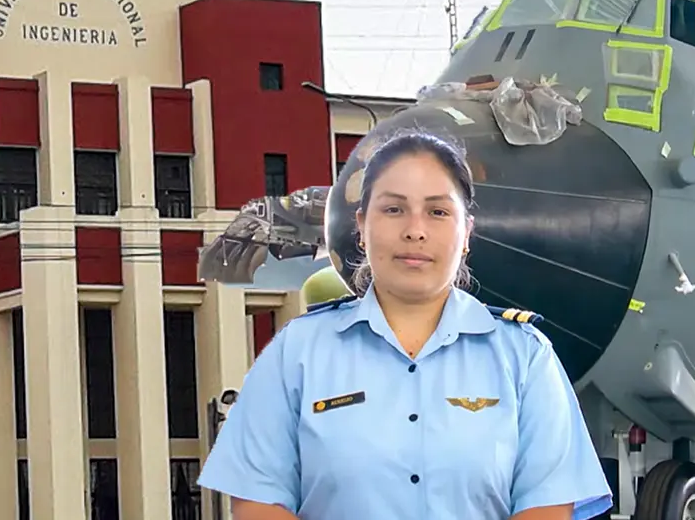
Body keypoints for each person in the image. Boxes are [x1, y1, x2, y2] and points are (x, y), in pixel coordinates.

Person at [197, 129, 613, 520]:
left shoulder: (525, 357)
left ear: (466, 232)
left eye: (437, 211)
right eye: (394, 209)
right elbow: (257, 504)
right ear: (361, 226)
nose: (415, 231)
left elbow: (547, 507)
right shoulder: (297, 353)